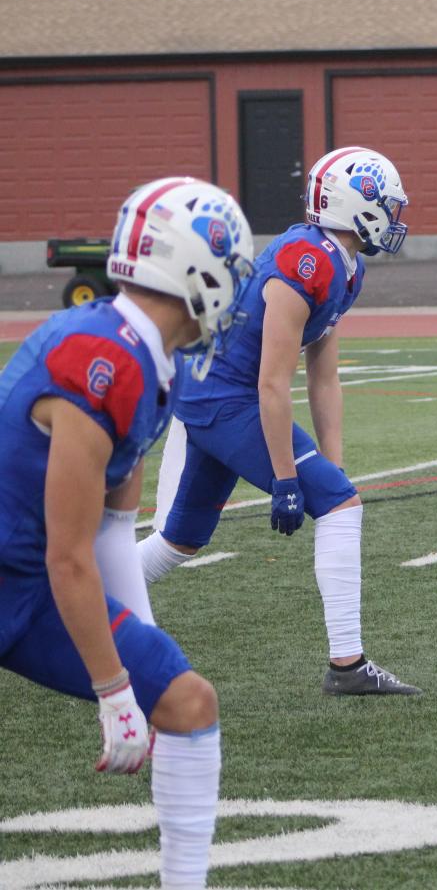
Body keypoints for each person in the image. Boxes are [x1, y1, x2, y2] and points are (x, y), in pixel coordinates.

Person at [1, 178, 254, 889]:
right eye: (230, 267)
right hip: (25, 570)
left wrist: (146, 664)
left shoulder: (152, 363)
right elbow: (69, 554)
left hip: (21, 581)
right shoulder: (101, 358)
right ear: (196, 268)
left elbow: (115, 530)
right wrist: (115, 689)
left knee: (186, 698)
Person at [139, 147, 420, 697]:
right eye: (386, 203)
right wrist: (290, 480)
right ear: (356, 203)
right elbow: (271, 381)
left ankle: (59, 602)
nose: (394, 215)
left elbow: (324, 376)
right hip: (227, 397)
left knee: (180, 541)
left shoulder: (344, 263)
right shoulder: (304, 260)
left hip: (220, 396)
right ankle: (348, 665)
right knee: (340, 506)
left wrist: (333, 467)